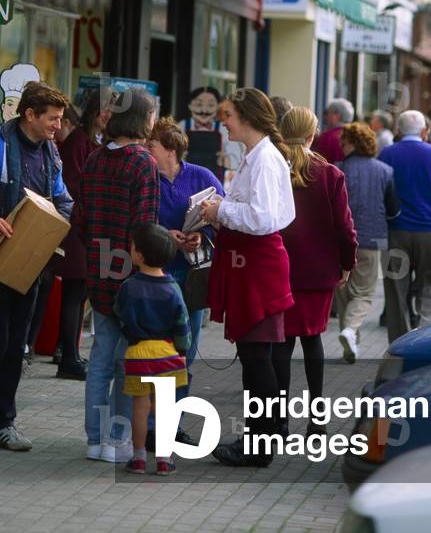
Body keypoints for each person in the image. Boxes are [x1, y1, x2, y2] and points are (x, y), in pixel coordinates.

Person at [0, 81, 73, 452]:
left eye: (59, 119)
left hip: (33, 261)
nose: (58, 126)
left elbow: (63, 200)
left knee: (18, 345)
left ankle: (3, 420)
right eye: (52, 119)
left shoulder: (51, 152)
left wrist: (57, 225)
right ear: (30, 115)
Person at [200, 88, 295, 468]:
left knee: (257, 358)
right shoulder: (258, 156)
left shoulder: (266, 159)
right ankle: (260, 439)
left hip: (258, 266)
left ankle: (260, 444)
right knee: (257, 356)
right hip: (252, 264)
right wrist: (221, 210)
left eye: (230, 115)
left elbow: (263, 218)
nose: (224, 121)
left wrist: (221, 210)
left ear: (249, 117)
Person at [76, 86, 159, 464]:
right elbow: (144, 226)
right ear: (142, 119)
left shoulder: (94, 160)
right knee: (130, 363)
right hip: (131, 273)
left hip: (98, 267)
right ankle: (116, 440)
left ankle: (94, 440)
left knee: (100, 359)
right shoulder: (143, 162)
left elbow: (81, 218)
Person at [272, 107, 356, 432]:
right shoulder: (330, 174)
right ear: (312, 135)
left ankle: (277, 422)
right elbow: (344, 228)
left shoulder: (274, 170)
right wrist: (347, 263)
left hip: (279, 268)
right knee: (312, 341)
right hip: (319, 272)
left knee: (281, 344)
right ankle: (317, 422)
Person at [146, 118, 223, 406]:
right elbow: (137, 218)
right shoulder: (146, 177)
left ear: (170, 149)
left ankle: (172, 424)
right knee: (157, 350)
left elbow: (223, 213)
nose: (145, 148)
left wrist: (201, 235)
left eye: (151, 144)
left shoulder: (201, 176)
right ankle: (151, 423)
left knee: (185, 353)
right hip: (157, 277)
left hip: (191, 276)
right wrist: (164, 235)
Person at [42, 91, 114, 379]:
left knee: (77, 293)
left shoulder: (89, 141)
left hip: (83, 226)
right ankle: (68, 357)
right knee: (74, 292)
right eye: (105, 110)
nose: (108, 115)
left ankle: (68, 352)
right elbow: (73, 188)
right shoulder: (80, 142)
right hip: (76, 228)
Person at [114, 222, 191, 477]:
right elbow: (182, 324)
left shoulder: (129, 286)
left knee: (140, 406)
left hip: (137, 353)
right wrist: (183, 349)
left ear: (139, 256)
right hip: (167, 354)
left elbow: (120, 314)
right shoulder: (172, 288)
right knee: (164, 407)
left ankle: (137, 458)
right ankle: (164, 459)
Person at [378, 110, 431, 343]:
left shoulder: (387, 154)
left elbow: (381, 195)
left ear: (399, 131)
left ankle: (399, 344)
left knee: (395, 291)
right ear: (425, 131)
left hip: (396, 234)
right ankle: (424, 339)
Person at [335, 122, 398, 363]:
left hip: (341, 239)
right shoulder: (385, 171)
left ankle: (350, 341)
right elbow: (393, 209)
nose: (341, 144)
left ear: (352, 143)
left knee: (343, 291)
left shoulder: (338, 170)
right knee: (364, 292)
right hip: (374, 238)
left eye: (344, 140)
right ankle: (350, 331)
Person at [312, 98, 354, 164]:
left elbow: (317, 163)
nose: (325, 117)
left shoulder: (327, 137)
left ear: (336, 115)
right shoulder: (356, 136)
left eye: (327, 113)